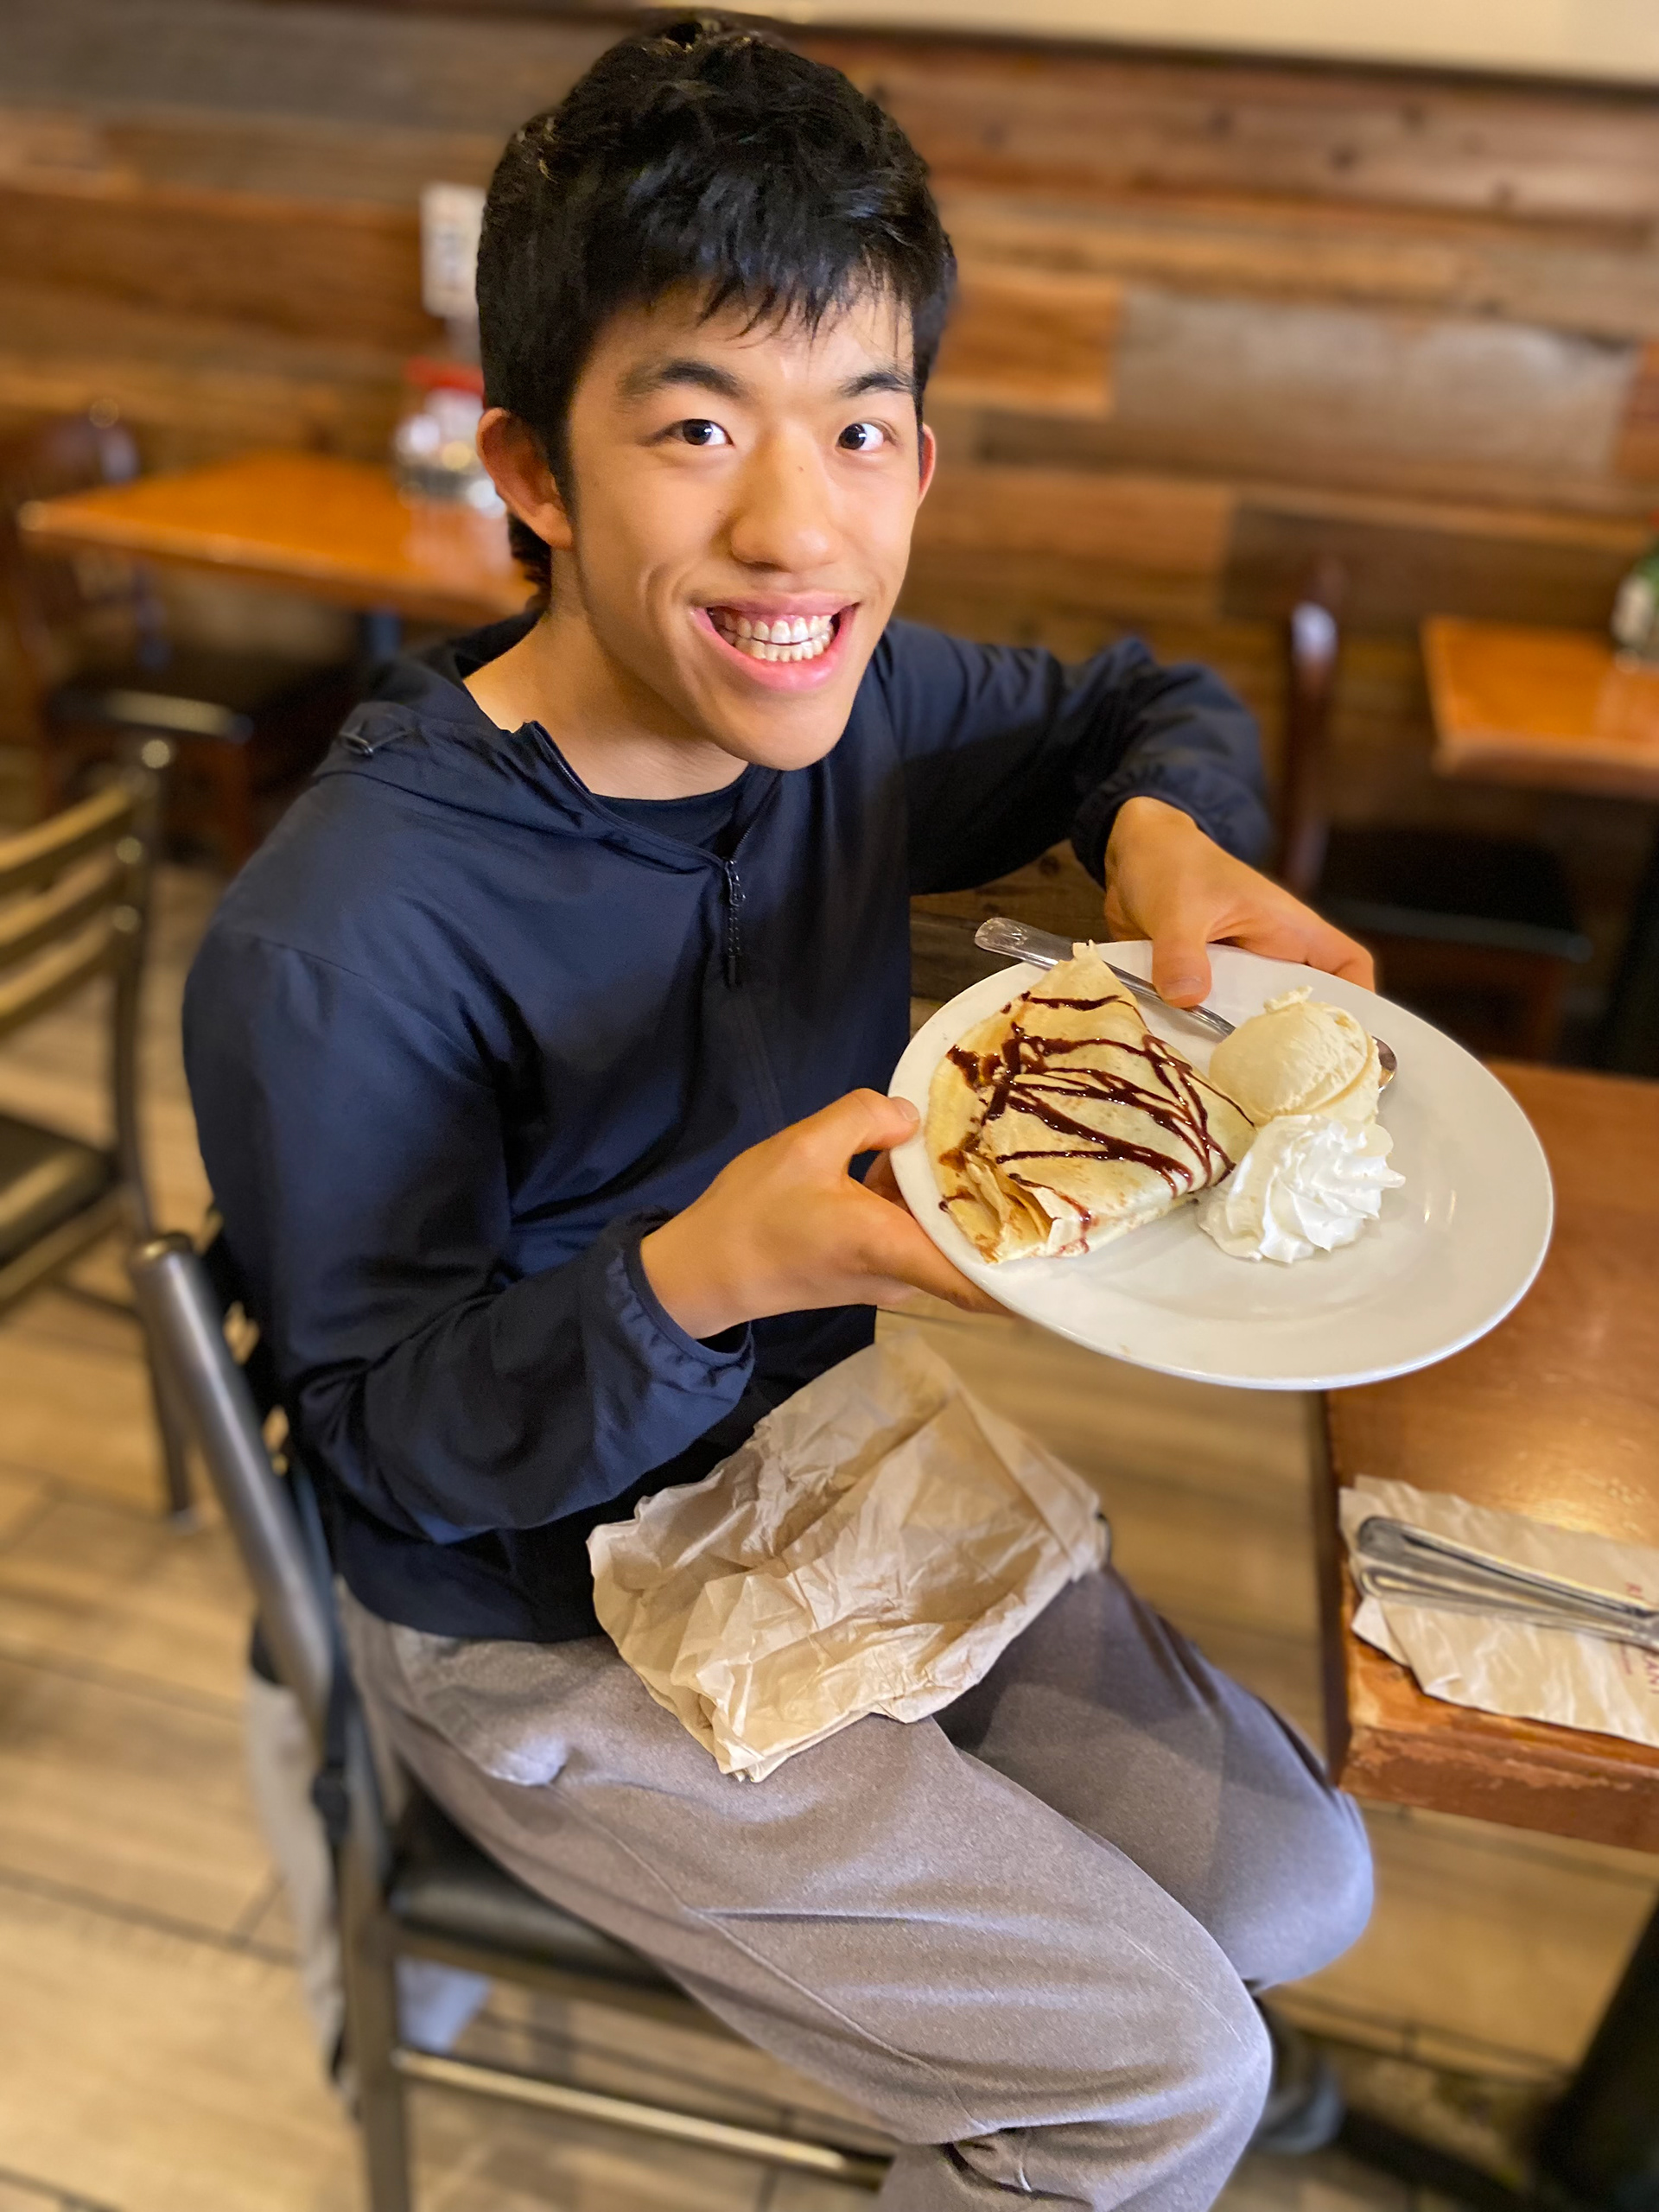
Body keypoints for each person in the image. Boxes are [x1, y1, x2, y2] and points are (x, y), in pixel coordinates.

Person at [185, 19, 1374, 2206]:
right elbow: (381, 1439)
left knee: (1307, 1885)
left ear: (922, 457)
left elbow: (1141, 702)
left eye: (860, 423)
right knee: (1163, 2080)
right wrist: (695, 1280)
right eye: (699, 423)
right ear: (532, 471)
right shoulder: (342, 932)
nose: (795, 521)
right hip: (521, 1606)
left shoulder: (866, 705)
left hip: (812, 1461)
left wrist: (1160, 830)